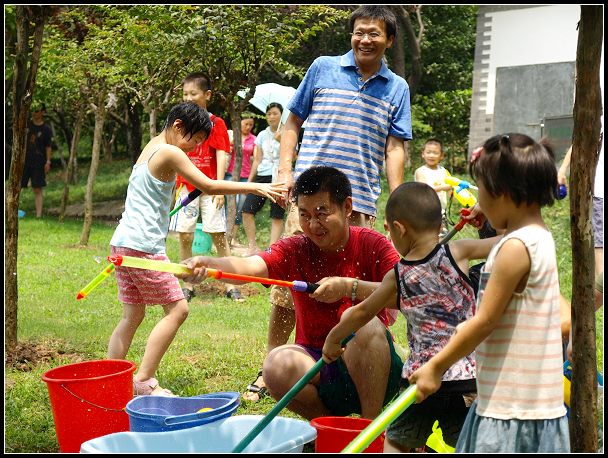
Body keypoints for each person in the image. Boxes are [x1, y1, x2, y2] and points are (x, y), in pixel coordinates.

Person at [248, 4, 412, 401]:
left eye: (374, 33)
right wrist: (285, 171)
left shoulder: (397, 88)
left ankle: (354, 368)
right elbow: (292, 121)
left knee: (355, 292)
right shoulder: (323, 68)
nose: (365, 40)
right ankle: (272, 364)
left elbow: (394, 147)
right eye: (359, 32)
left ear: (389, 40)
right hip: (310, 198)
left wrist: (398, 201)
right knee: (288, 290)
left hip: (358, 202)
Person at [179, 166, 403, 419]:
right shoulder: (296, 249)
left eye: (322, 213)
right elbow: (251, 266)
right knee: (276, 365)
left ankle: (369, 430)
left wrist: (348, 287)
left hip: (377, 368)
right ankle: (328, 427)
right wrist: (208, 264)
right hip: (318, 365)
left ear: (347, 207)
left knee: (362, 321)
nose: (313, 225)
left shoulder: (373, 244)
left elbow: (407, 293)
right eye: (305, 215)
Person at [108, 101, 286, 396]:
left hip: (123, 241)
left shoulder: (151, 146)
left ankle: (110, 377)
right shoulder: (170, 151)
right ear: (178, 126)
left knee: (132, 315)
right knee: (178, 309)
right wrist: (255, 187)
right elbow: (211, 185)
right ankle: (144, 381)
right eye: (195, 140)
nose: (194, 148)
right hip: (142, 246)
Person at [409, 133, 570, 453]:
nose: (477, 198)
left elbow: (484, 322)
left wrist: (436, 367)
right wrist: (489, 210)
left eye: (481, 190)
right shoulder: (538, 236)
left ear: (504, 193)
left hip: (507, 411)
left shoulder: (514, 248)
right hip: (538, 406)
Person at [323, 181, 499, 452]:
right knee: (470, 445)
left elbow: (362, 311)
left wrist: (333, 340)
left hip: (421, 378)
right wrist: (486, 211)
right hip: (464, 377)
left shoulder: (397, 275)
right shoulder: (460, 251)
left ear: (399, 228)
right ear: (439, 226)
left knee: (397, 442)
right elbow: (509, 241)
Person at [169, 72, 244, 303]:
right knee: (185, 234)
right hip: (185, 187)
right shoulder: (180, 124)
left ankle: (230, 284)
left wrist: (218, 188)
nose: (188, 98)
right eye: (185, 94)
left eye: (194, 93)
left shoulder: (216, 123)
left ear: (207, 95)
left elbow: (221, 154)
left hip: (210, 188)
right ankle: (187, 285)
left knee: (218, 235)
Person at [241, 103, 285, 257]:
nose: (271, 117)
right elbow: (257, 160)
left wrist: (281, 140)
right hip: (262, 176)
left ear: (281, 115)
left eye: (275, 113)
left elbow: (293, 157)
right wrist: (249, 183)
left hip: (280, 176)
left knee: (277, 215)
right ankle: (252, 246)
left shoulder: (288, 132)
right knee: (247, 211)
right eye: (269, 114)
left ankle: (272, 252)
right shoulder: (261, 135)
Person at [225, 113, 257, 247]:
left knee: (240, 208)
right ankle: (224, 236)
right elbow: (221, 151)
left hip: (245, 177)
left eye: (251, 125)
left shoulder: (254, 139)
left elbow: (257, 159)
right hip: (230, 175)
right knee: (232, 204)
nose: (248, 127)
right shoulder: (230, 134)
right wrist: (230, 142)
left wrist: (250, 180)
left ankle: (232, 237)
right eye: (246, 124)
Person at [414, 139, 452, 237]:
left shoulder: (443, 171)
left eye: (435, 153)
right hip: (425, 212)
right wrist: (442, 187)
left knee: (444, 240)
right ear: (423, 154)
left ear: (441, 155)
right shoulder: (421, 171)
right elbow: (423, 189)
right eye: (428, 152)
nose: (431, 156)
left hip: (441, 213)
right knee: (426, 239)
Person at [21, 103, 52, 218]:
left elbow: (48, 146)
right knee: (17, 186)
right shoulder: (26, 125)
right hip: (23, 161)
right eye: (32, 110)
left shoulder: (46, 129)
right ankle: (11, 211)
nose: (34, 113)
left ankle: (38, 216)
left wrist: (48, 162)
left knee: (37, 189)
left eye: (37, 111)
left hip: (38, 162)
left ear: (43, 112)